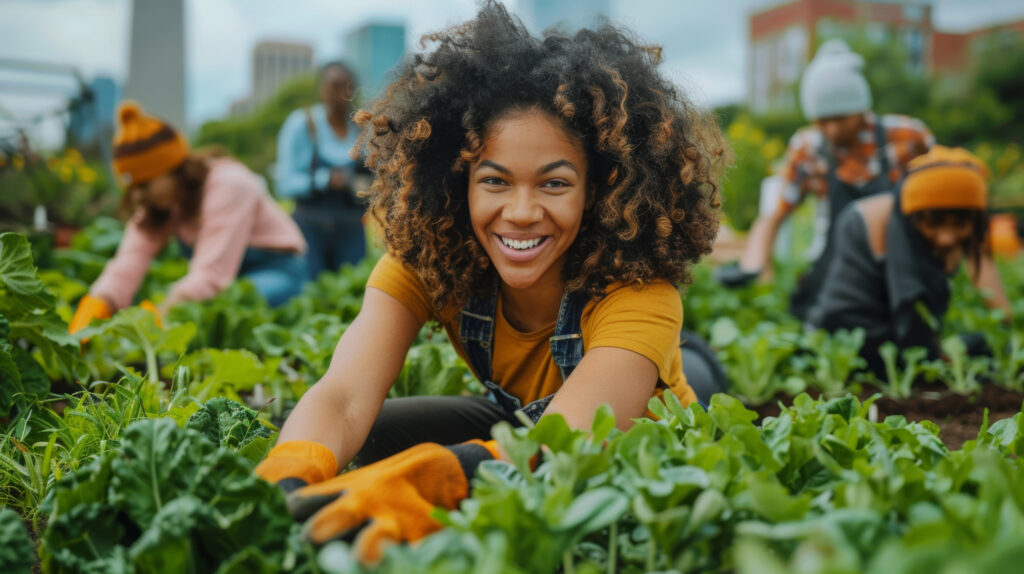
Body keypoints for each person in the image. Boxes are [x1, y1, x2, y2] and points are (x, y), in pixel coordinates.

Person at [254, 2, 728, 563]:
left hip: (627, 453)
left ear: (597, 190)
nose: (521, 212)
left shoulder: (642, 292)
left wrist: (434, 485)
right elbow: (345, 395)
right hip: (523, 422)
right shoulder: (430, 261)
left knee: (487, 473)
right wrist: (288, 475)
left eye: (554, 183)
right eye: (495, 181)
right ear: (460, 183)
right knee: (342, 439)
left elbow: (565, 447)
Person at [715, 40, 934, 320]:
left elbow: (941, 204)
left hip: (899, 267)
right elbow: (774, 216)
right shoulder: (809, 147)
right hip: (836, 269)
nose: (831, 129)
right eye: (822, 120)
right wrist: (754, 265)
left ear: (861, 107)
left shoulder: (908, 136)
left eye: (841, 118)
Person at [68, 101, 307, 333]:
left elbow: (211, 275)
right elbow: (127, 263)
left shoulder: (229, 185)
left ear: (173, 169)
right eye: (133, 189)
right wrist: (98, 304)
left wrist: (160, 315)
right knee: (205, 307)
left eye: (145, 185)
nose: (139, 196)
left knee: (223, 309)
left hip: (278, 269)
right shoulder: (162, 203)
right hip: (226, 278)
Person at [806, 146, 1012, 377]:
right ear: (914, 216)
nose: (946, 238)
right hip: (852, 342)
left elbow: (988, 276)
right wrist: (936, 359)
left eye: (960, 226)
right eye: (934, 224)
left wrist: (1006, 332)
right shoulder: (880, 223)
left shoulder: (953, 232)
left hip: (894, 339)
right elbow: (909, 306)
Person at [275, 60, 367, 280]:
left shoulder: (362, 128)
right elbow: (284, 183)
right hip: (310, 229)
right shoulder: (302, 124)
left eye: (347, 87)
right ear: (322, 89)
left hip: (352, 229)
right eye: (335, 86)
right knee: (310, 291)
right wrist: (325, 180)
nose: (342, 94)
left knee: (353, 291)